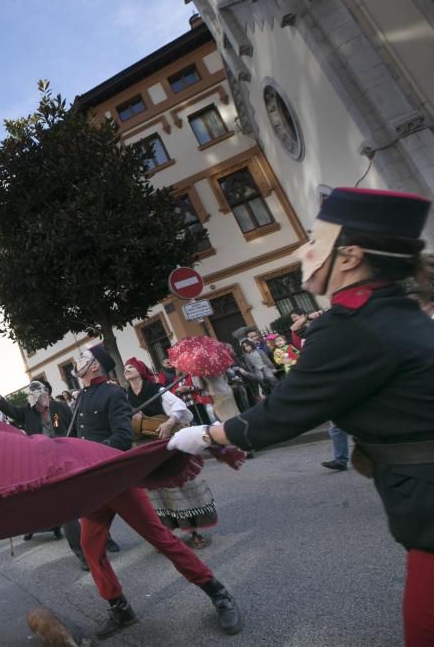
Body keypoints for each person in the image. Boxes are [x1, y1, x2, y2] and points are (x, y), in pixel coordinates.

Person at [169, 187, 434, 646]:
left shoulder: (352, 323)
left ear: (348, 257)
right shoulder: (391, 309)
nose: (302, 249)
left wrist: (208, 434)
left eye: (315, 239)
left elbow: (283, 412)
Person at [70, 345, 242, 639]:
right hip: (94, 487)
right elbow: (77, 439)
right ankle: (120, 608)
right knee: (90, 548)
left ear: (96, 366)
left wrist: (92, 457)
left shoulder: (112, 394)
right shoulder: (81, 398)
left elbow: (123, 438)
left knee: (163, 540)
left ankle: (218, 592)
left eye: (83, 358)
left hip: (117, 482)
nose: (78, 362)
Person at [124, 357, 216, 549]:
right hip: (143, 446)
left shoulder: (156, 389)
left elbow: (179, 407)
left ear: (141, 370)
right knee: (154, 492)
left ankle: (193, 532)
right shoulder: (125, 396)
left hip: (163, 442)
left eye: (131, 367)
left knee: (177, 487)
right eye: (125, 368)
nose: (127, 370)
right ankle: (165, 535)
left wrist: (169, 422)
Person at [0, 379, 72, 541]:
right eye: (31, 389)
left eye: (37, 388)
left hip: (65, 458)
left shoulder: (60, 408)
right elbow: (11, 410)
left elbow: (74, 427)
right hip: (42, 461)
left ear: (46, 391)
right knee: (49, 499)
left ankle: (103, 537)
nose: (33, 392)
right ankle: (50, 528)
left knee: (76, 500)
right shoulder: (28, 411)